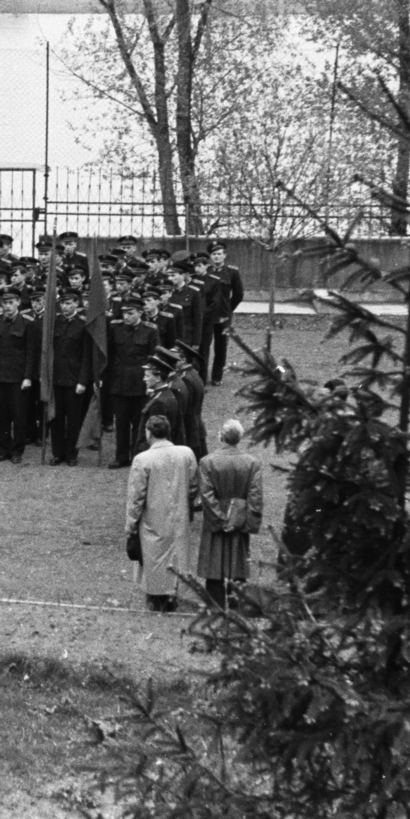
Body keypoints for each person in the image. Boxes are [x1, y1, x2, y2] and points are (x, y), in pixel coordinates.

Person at [126, 414, 200, 613]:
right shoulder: (186, 454)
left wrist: (131, 524)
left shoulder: (142, 460)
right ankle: (172, 594)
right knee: (176, 554)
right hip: (179, 515)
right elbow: (194, 485)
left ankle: (156, 598)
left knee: (154, 557)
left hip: (153, 517)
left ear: (149, 433)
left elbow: (136, 497)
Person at [197, 418, 263, 608]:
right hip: (239, 518)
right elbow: (255, 497)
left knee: (214, 565)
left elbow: (206, 495)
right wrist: (246, 522)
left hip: (215, 519)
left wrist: (219, 518)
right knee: (238, 564)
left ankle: (215, 608)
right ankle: (237, 607)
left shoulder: (207, 462)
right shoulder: (252, 463)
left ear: (221, 436)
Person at [0, 287, 40, 464]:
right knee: (1, 416)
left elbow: (32, 353)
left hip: (18, 378)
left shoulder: (28, 323)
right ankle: (2, 449)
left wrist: (27, 377)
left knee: (19, 417)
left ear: (18, 302)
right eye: (4, 303)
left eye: (11, 302)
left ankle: (17, 450)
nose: (7, 306)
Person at [106, 301, 158, 468]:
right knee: (120, 422)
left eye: (130, 313)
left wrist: (151, 384)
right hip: (119, 382)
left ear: (140, 313)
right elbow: (109, 354)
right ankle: (121, 456)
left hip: (140, 384)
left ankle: (138, 455)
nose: (126, 317)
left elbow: (154, 359)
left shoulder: (150, 330)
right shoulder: (115, 328)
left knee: (139, 423)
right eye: (124, 313)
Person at [47, 290, 93, 466]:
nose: (64, 307)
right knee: (55, 418)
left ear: (76, 303)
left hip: (74, 380)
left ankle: (71, 453)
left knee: (73, 419)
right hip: (56, 378)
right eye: (62, 303)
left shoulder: (83, 324)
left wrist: (82, 381)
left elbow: (87, 356)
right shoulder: (54, 322)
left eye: (68, 303)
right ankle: (58, 453)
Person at [201, 242, 244, 385]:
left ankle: (216, 377)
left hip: (223, 315)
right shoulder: (205, 271)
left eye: (219, 254)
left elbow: (238, 294)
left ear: (224, 255)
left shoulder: (232, 272)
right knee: (204, 346)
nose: (217, 257)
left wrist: (228, 309)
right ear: (210, 256)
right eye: (214, 254)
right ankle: (201, 376)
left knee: (221, 347)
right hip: (207, 315)